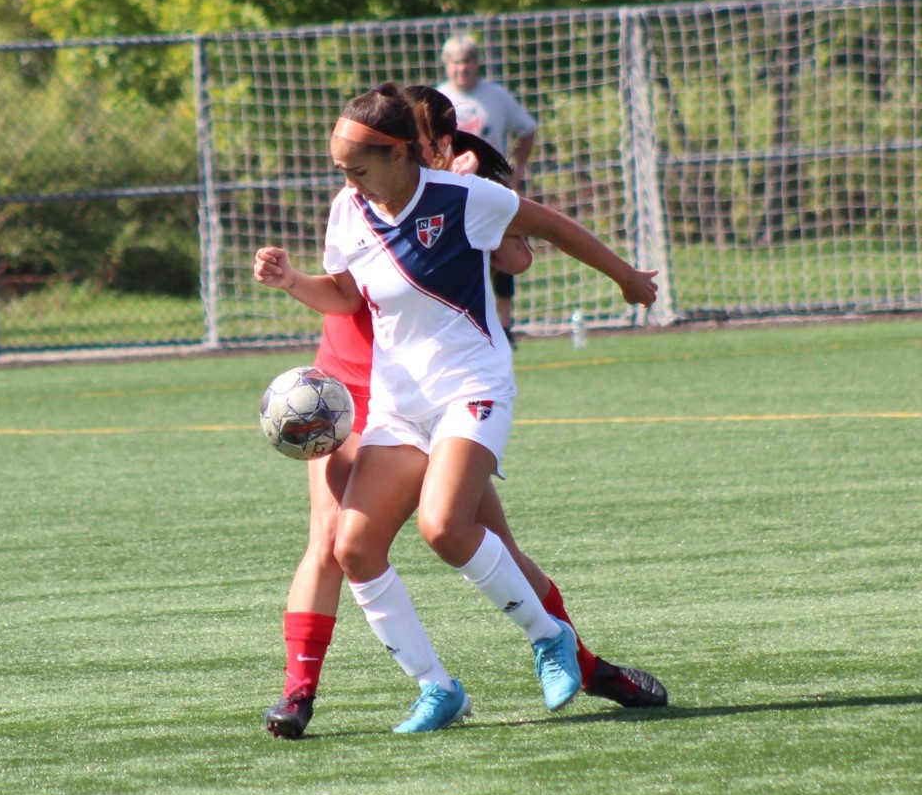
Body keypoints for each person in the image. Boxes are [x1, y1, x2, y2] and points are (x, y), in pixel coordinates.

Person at [262, 85, 668, 740]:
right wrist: (290, 281)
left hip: (468, 388)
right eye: (340, 168)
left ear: (400, 155)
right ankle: (437, 687)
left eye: (357, 167)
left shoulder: (463, 198)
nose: (347, 181)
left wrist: (625, 278)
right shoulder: (349, 209)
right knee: (352, 547)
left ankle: (552, 640)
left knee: (446, 526)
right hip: (398, 403)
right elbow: (343, 295)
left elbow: (544, 229)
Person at [438, 34, 538, 342]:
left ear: (477, 63)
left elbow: (527, 129)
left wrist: (517, 168)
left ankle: (504, 323)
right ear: (447, 66)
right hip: (454, 190)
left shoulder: (495, 96)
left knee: (507, 249)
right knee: (461, 254)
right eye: (456, 63)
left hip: (493, 185)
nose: (462, 68)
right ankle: (464, 321)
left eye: (467, 61)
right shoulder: (439, 99)